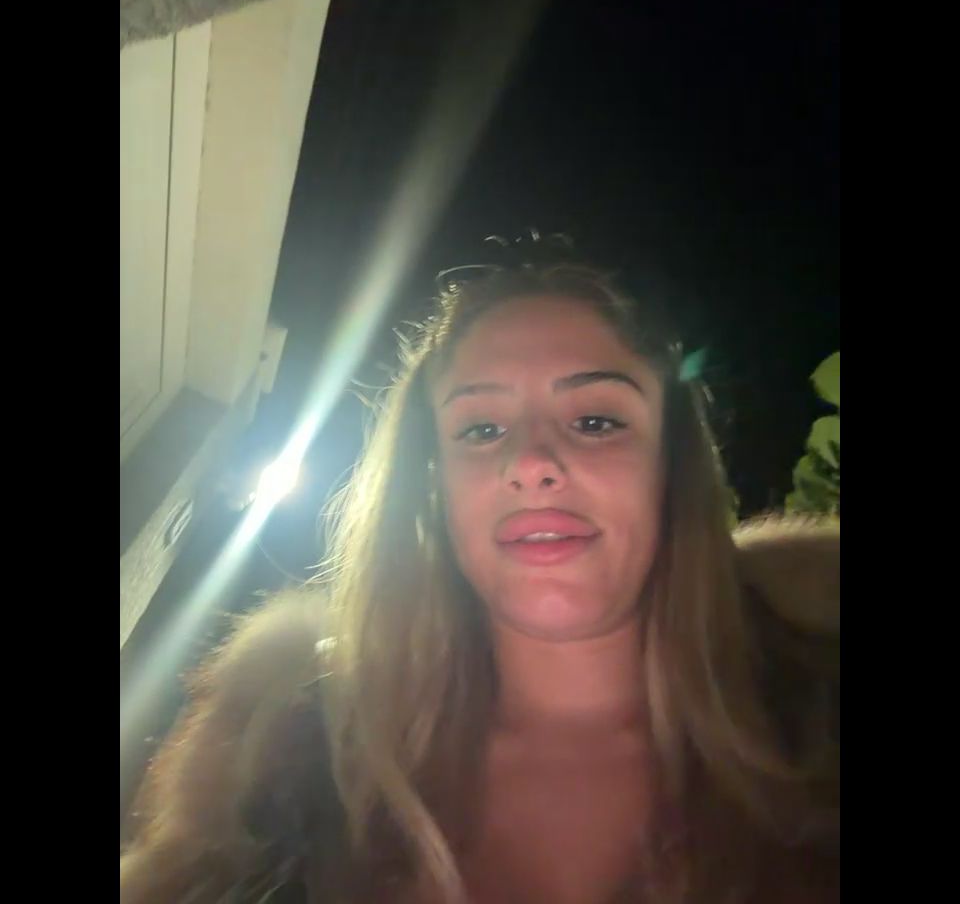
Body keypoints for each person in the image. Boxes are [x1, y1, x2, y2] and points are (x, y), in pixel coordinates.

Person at [120, 242, 840, 903]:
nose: (531, 463)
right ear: (432, 488)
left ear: (671, 466)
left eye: (595, 421)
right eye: (481, 429)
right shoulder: (282, 761)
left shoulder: (817, 718)